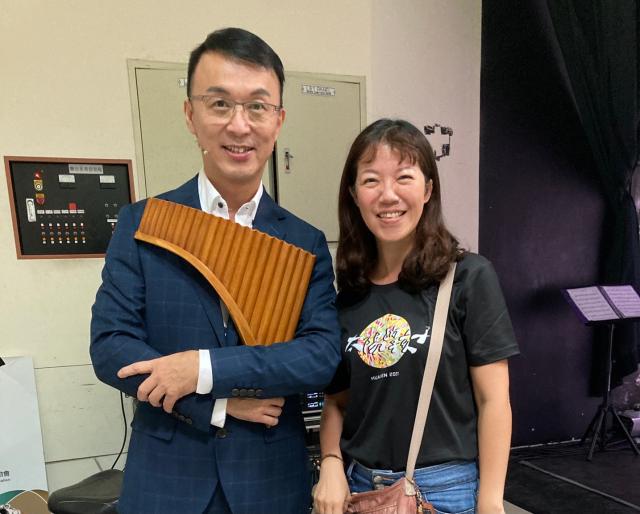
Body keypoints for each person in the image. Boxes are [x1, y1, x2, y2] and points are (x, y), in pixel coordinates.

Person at [90, 27, 340, 514]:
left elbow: (319, 357)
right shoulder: (141, 224)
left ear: (278, 120)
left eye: (257, 106)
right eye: (220, 104)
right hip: (166, 482)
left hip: (271, 483)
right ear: (191, 114)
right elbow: (110, 347)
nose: (239, 125)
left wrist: (202, 369)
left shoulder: (304, 241)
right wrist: (217, 404)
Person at [312, 119, 519, 514]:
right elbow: (337, 402)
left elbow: (493, 400)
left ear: (427, 189)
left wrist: (491, 501)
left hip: (444, 494)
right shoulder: (349, 296)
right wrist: (332, 462)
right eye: (371, 181)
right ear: (354, 195)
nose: (388, 195)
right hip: (361, 490)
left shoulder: (468, 278)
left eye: (404, 177)